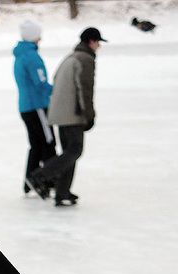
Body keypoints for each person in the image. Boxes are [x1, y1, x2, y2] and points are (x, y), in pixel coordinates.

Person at [27, 27, 106, 207]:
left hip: (60, 113)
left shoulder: (71, 56)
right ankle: (40, 176)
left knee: (69, 153)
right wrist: (89, 114)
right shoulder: (85, 58)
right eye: (98, 42)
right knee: (75, 150)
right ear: (92, 42)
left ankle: (62, 192)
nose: (99, 46)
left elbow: (56, 79)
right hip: (72, 114)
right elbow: (85, 89)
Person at [13, 20, 55, 195]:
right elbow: (41, 83)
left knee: (36, 144)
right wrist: (58, 92)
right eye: (38, 35)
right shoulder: (31, 56)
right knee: (48, 142)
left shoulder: (21, 55)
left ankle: (30, 181)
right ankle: (46, 179)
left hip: (26, 106)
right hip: (37, 106)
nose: (41, 39)